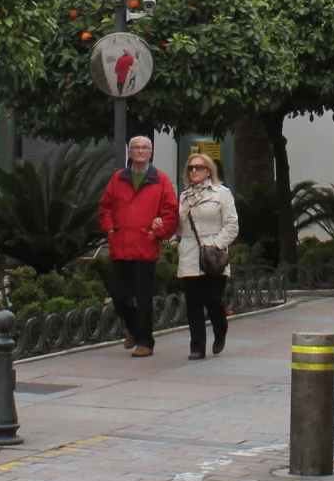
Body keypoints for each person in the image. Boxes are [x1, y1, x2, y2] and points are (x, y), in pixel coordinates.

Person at [99, 134, 179, 356]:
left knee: (143, 298)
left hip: (145, 246)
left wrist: (158, 231)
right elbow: (104, 207)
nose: (141, 151)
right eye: (136, 147)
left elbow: (171, 212)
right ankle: (133, 329)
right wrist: (110, 229)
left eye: (145, 147)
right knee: (117, 293)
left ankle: (145, 341)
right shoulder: (118, 178)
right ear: (130, 152)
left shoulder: (161, 180)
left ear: (151, 153)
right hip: (120, 245)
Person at [174, 152, 239, 359]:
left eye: (199, 167)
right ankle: (197, 346)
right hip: (190, 254)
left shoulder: (222, 193)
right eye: (191, 168)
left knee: (213, 300)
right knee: (192, 303)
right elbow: (179, 228)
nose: (194, 171)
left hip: (213, 256)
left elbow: (231, 226)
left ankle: (220, 329)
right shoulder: (184, 197)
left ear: (209, 170)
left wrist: (216, 246)